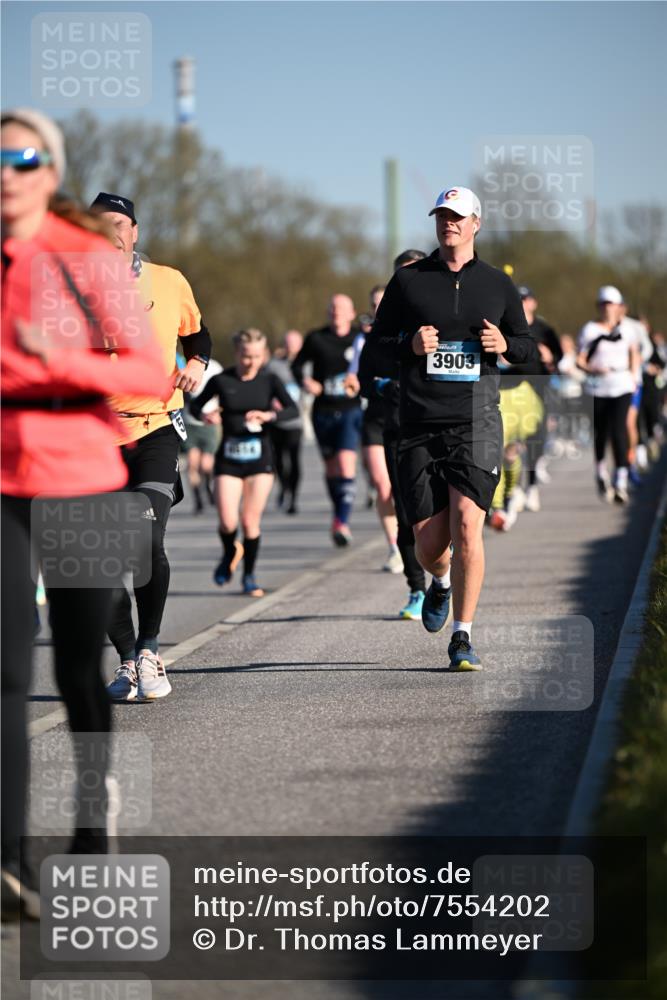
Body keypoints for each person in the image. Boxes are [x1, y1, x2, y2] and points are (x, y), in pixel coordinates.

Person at [1, 108, 170, 912]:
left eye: (25, 158)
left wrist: (55, 358)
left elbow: (142, 361)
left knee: (76, 666)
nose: (9, 171)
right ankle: (7, 857)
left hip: (83, 475)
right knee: (5, 667)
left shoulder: (84, 258)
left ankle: (93, 823)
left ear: (51, 172)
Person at [365, 186, 538, 668]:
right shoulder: (408, 282)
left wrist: (505, 342)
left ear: (476, 223)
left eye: (458, 217)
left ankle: (462, 635)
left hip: (475, 421)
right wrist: (409, 347)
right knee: (427, 547)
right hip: (418, 423)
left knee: (467, 526)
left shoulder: (497, 285)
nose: (449, 224)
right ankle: (439, 581)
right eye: (442, 216)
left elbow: (528, 351)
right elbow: (374, 350)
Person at [89, 192, 212, 702]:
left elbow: (199, 337)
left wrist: (197, 365)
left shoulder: (168, 280)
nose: (111, 233)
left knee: (144, 540)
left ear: (135, 231)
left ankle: (149, 649)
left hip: (155, 427)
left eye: (120, 224)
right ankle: (125, 659)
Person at [190, 328, 298, 597]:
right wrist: (208, 416)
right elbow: (194, 406)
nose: (251, 362)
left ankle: (249, 576)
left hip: (260, 460)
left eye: (257, 357)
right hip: (228, 459)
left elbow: (292, 409)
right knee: (227, 522)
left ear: (264, 355)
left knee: (250, 521)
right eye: (246, 356)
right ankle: (230, 552)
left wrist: (269, 416)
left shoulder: (269, 380)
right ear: (237, 353)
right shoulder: (221, 380)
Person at [358, 251, 429, 619]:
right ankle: (418, 589)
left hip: (441, 427)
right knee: (405, 514)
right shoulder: (382, 332)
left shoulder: (443, 321)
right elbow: (364, 381)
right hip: (397, 429)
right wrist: (385, 385)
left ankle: (446, 580)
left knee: (442, 513)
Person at [292, 294, 362, 546]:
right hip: (323, 411)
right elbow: (297, 366)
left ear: (352, 313)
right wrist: (306, 382)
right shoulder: (316, 338)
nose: (337, 312)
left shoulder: (358, 339)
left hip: (350, 409)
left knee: (345, 464)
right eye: (332, 308)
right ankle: (338, 513)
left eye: (342, 309)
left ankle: (342, 522)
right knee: (332, 469)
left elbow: (375, 364)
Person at [346, 285, 403, 573]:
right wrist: (353, 382)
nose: (378, 309)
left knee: (403, 490)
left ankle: (414, 540)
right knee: (383, 486)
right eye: (374, 304)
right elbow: (354, 372)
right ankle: (394, 548)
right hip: (375, 418)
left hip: (406, 417)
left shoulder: (411, 330)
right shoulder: (364, 339)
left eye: (384, 303)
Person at [577, 285, 640, 504]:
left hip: (622, 385)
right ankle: (601, 471)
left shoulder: (628, 329)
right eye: (603, 304)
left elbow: (634, 354)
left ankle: (621, 481)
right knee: (601, 433)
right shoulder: (590, 330)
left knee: (619, 431)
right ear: (599, 306)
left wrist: (634, 377)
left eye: (611, 304)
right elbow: (580, 360)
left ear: (618, 306)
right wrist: (592, 369)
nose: (607, 308)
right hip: (598, 387)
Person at [513, 285, 562, 511]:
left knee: (535, 439)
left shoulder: (544, 329)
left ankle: (531, 486)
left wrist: (550, 357)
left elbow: (559, 359)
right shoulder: (508, 326)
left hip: (538, 387)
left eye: (526, 300)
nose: (523, 304)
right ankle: (512, 489)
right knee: (511, 440)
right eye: (518, 300)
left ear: (533, 303)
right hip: (512, 389)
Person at [265, 330, 304, 515]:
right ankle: (284, 487)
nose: (291, 347)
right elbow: (264, 386)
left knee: (295, 459)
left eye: (295, 343)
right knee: (278, 459)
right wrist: (272, 401)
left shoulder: (306, 364)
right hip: (277, 420)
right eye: (288, 343)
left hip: (296, 421)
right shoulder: (273, 365)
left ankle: (293, 498)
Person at [183, 357, 224, 514]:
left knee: (206, 465)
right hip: (189, 421)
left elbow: (223, 393)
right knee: (193, 464)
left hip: (209, 422)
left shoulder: (215, 366)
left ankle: (208, 485)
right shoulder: (185, 365)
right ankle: (197, 498)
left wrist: (219, 413)